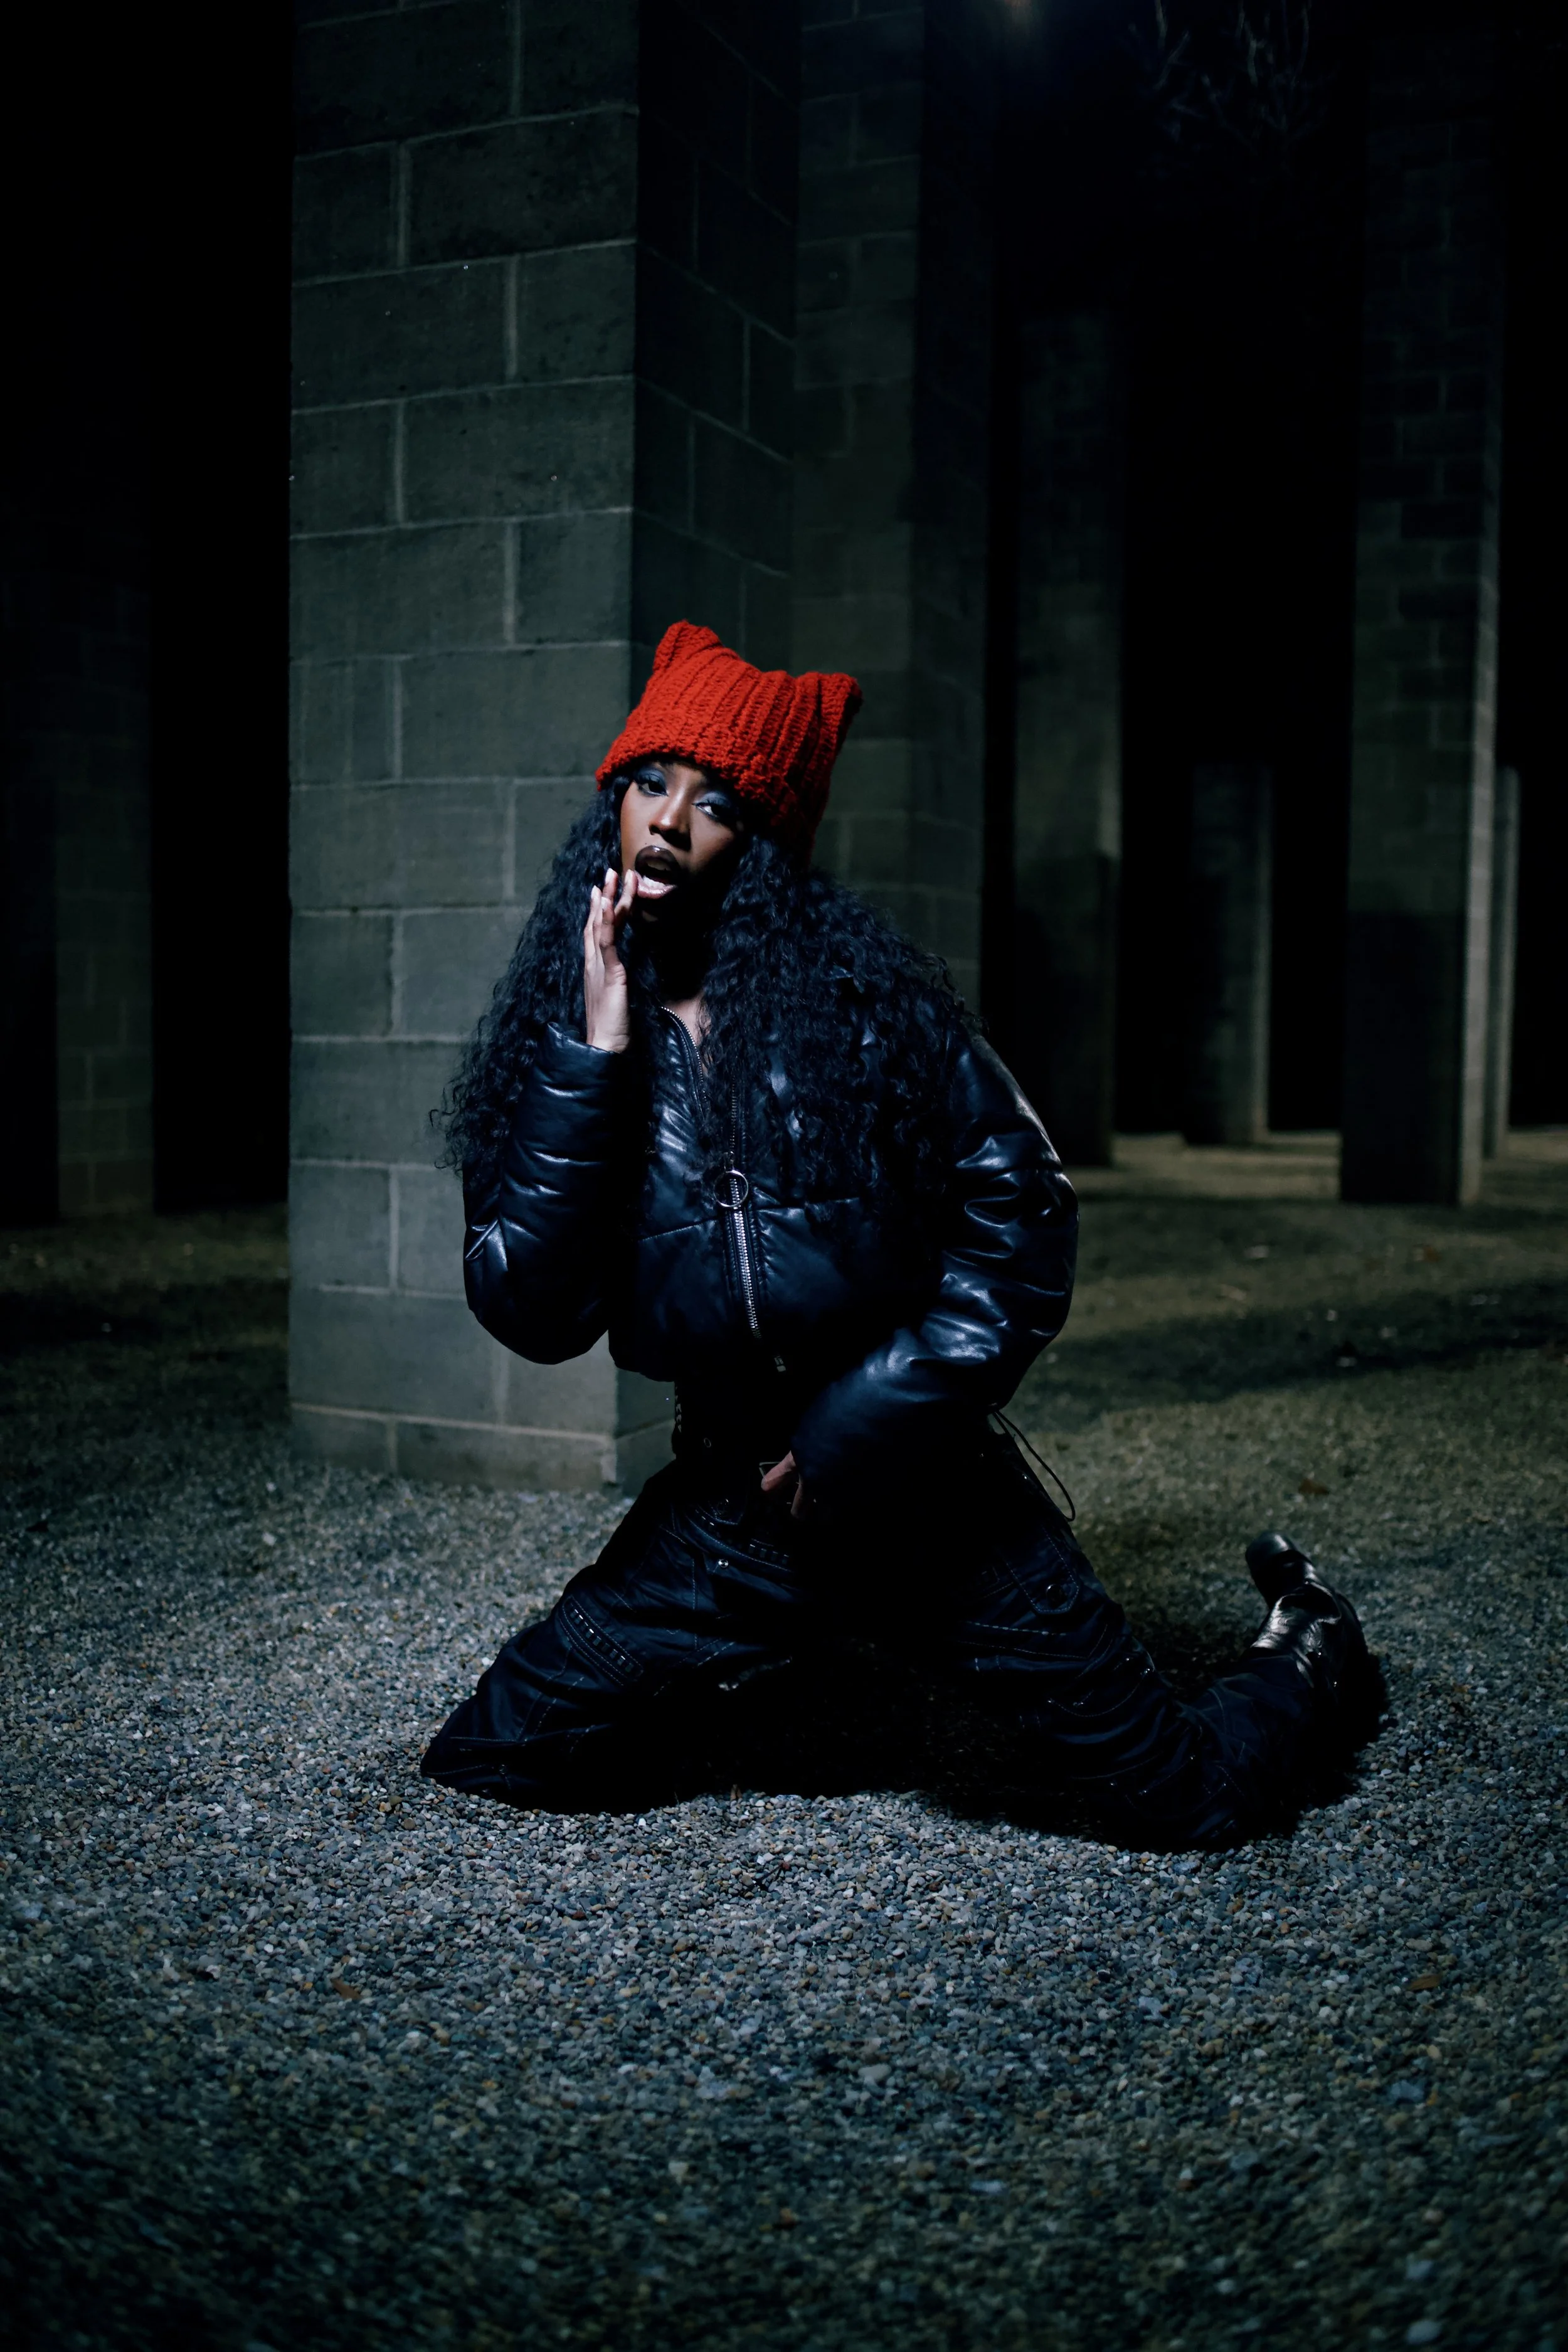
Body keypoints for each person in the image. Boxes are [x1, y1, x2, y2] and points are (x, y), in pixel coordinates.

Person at [421, 622, 1376, 1845]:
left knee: (1190, 1798)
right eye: (650, 782)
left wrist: (857, 1429)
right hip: (734, 1505)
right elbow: (530, 1309)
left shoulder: (865, 1008)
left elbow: (1023, 1220)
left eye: (716, 802)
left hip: (927, 1484)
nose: (668, 822)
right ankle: (794, 1655)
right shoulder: (569, 1034)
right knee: (494, 1752)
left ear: (761, 841)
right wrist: (591, 1061)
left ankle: (1313, 1646)